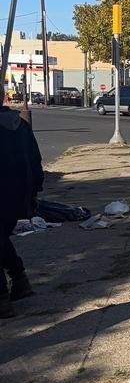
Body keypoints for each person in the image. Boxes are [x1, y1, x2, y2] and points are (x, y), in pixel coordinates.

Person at [0, 103, 43, 317]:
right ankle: (19, 279)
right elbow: (35, 160)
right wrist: (34, 192)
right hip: (18, 196)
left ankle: (2, 300)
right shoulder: (20, 125)